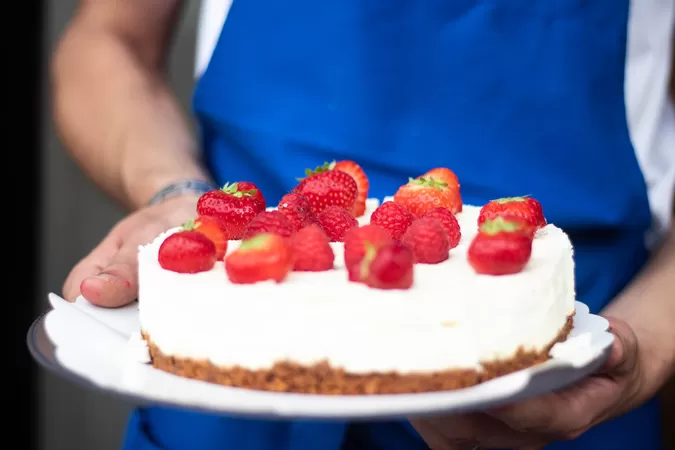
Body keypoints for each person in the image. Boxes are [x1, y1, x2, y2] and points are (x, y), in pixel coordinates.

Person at [53, 0, 675, 448]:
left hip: (551, 382)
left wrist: (647, 342)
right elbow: (109, 40)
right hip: (228, 379)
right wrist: (177, 190)